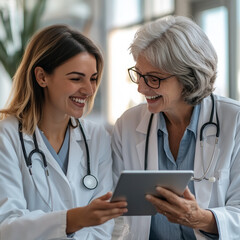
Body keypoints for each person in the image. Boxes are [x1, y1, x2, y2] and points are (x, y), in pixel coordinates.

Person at [112, 15, 240, 240]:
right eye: (139, 75)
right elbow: (115, 208)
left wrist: (200, 218)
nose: (141, 88)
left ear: (189, 76)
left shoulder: (235, 120)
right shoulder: (128, 125)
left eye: (153, 79)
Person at [0, 24, 127, 240]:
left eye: (93, 78)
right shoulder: (8, 137)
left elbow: (104, 228)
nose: (88, 90)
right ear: (41, 77)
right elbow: (7, 226)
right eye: (76, 78)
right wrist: (75, 218)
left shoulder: (97, 138)